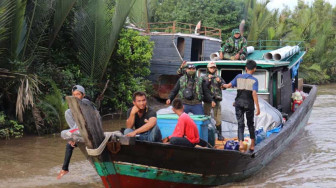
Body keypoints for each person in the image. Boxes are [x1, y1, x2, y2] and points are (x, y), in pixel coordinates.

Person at [223, 60, 260, 152]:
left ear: (246, 68)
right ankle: (252, 145)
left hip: (238, 104)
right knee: (250, 124)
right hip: (249, 104)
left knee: (240, 124)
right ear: (254, 69)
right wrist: (258, 108)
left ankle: (241, 145)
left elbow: (228, 85)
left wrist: (220, 83)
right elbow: (254, 93)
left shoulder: (238, 77)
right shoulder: (254, 80)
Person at [57, 85, 91, 179]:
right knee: (65, 136)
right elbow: (76, 124)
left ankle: (65, 169)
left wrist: (74, 136)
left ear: (83, 95)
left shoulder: (85, 102)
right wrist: (74, 137)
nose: (76, 96)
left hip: (89, 131)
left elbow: (82, 122)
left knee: (67, 135)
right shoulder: (73, 108)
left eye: (78, 94)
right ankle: (65, 169)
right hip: (79, 131)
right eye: (74, 94)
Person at [203, 62, 226, 141]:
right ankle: (205, 134)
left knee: (218, 118)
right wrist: (208, 80)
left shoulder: (218, 77)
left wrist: (220, 82)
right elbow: (203, 88)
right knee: (206, 117)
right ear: (208, 68)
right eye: (211, 67)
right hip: (207, 101)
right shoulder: (204, 77)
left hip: (217, 101)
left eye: (214, 67)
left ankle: (219, 135)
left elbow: (224, 86)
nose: (212, 69)